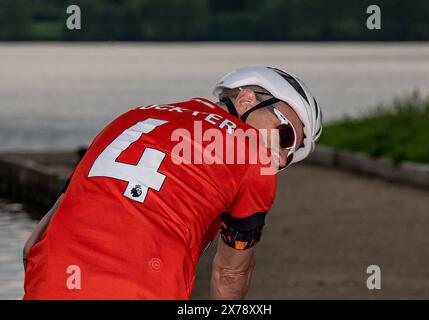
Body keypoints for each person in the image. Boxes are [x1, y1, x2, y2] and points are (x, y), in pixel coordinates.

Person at [23, 66, 322, 299]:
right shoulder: (252, 155)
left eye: (292, 155)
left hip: (48, 284)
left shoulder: (130, 118)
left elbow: (33, 243)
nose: (282, 159)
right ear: (246, 99)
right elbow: (230, 275)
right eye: (285, 136)